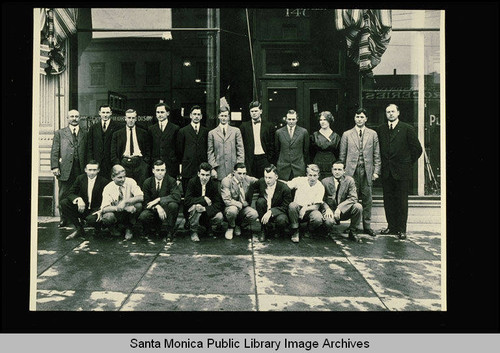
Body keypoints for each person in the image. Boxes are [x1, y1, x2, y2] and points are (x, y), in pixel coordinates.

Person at [377, 103, 423, 240]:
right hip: (387, 172)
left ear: (398, 113)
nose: (390, 114)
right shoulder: (381, 129)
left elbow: (417, 149)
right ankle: (391, 227)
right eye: (387, 112)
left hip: (402, 172)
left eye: (392, 111)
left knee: (402, 201)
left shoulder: (407, 128)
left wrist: (407, 163)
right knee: (388, 200)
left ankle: (402, 229)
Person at [338, 108, 381, 236]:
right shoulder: (347, 134)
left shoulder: (373, 134)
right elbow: (342, 155)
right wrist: (343, 173)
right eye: (357, 117)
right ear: (354, 118)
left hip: (367, 171)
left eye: (362, 117)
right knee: (352, 199)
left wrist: (376, 172)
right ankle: (353, 227)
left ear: (366, 119)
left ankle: (367, 226)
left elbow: (377, 155)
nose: (359, 119)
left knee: (367, 199)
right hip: (351, 171)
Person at [50, 109, 87, 227]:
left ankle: (80, 218)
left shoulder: (85, 133)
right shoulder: (60, 133)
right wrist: (55, 166)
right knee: (64, 193)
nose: (74, 118)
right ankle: (63, 218)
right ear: (67, 118)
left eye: (76, 116)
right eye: (72, 116)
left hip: (80, 168)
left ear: (79, 118)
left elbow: (88, 151)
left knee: (81, 193)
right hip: (65, 169)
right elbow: (55, 151)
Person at [60, 160, 109, 240]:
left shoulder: (104, 181)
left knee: (91, 220)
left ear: (98, 170)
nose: (92, 172)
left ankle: (98, 230)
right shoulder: (80, 178)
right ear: (85, 170)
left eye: (94, 170)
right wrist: (78, 199)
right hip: (83, 208)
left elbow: (107, 198)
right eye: (90, 170)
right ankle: (79, 229)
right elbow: (70, 193)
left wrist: (101, 210)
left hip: (95, 209)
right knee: (64, 203)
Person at [138, 160, 181, 242]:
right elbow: (146, 202)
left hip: (166, 209)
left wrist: (159, 199)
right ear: (153, 171)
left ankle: (170, 232)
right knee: (144, 216)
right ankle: (150, 231)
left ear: (165, 171)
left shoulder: (171, 181)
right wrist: (157, 206)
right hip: (153, 209)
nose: (160, 173)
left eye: (162, 170)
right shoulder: (147, 182)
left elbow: (176, 196)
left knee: (173, 205)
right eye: (158, 170)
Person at [321, 161, 363, 243]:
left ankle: (352, 231)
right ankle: (326, 231)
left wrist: (340, 208)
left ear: (344, 171)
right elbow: (321, 199)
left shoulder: (349, 181)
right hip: (330, 210)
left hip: (344, 211)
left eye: (339, 169)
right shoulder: (325, 181)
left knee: (358, 207)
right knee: (329, 221)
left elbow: (353, 197)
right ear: (332, 170)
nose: (337, 172)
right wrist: (327, 209)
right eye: (335, 169)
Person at [100, 165, 144, 240]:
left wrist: (125, 202)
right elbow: (104, 208)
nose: (123, 179)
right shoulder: (108, 188)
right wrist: (119, 207)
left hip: (129, 213)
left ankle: (129, 228)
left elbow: (141, 197)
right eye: (119, 177)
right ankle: (113, 228)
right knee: (108, 216)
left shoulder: (130, 181)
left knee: (138, 205)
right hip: (116, 212)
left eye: (124, 176)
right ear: (112, 177)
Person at [184, 162, 225, 242]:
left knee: (219, 216)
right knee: (196, 206)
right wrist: (203, 199)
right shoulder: (192, 182)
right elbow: (187, 200)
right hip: (194, 213)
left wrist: (205, 209)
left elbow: (219, 204)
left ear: (210, 175)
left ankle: (208, 227)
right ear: (198, 174)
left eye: (207, 175)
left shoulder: (213, 184)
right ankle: (193, 231)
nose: (204, 178)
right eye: (202, 174)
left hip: (207, 212)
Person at [110, 108, 151, 188]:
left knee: (140, 187)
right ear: (125, 118)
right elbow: (113, 152)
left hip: (140, 164)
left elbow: (148, 150)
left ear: (136, 119)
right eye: (129, 118)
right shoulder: (117, 134)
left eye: (133, 118)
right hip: (124, 164)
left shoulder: (143, 133)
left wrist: (145, 164)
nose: (131, 120)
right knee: (125, 187)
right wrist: (118, 165)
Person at [220, 162, 261, 240]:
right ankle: (230, 227)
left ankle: (238, 225)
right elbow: (227, 200)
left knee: (254, 214)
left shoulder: (247, 179)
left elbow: (260, 181)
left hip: (242, 208)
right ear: (234, 172)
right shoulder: (227, 181)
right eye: (239, 173)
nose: (242, 176)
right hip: (230, 208)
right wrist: (240, 204)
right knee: (233, 210)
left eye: (244, 173)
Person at [286, 164, 325, 243]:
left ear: (318, 175)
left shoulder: (320, 186)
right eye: (310, 175)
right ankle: (295, 230)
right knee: (292, 205)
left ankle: (309, 230)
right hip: (296, 209)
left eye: (315, 175)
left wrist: (305, 209)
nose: (312, 178)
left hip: (310, 210)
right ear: (307, 175)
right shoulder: (300, 180)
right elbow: (286, 185)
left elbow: (316, 206)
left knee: (318, 218)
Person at [254, 164, 292, 242]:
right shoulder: (261, 182)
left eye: (270, 178)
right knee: (260, 201)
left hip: (279, 212)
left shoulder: (284, 188)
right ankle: (263, 229)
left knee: (282, 220)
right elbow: (251, 185)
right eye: (265, 177)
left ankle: (278, 231)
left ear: (276, 177)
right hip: (265, 211)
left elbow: (285, 207)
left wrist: (271, 211)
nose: (267, 180)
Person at [207, 106, 245, 181]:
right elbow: (210, 152)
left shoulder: (236, 131)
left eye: (225, 116)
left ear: (228, 117)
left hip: (233, 170)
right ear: (218, 116)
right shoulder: (212, 133)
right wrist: (213, 168)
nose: (224, 118)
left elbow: (240, 150)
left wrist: (239, 168)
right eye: (222, 116)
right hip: (219, 170)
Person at [239, 101, 275, 178]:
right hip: (250, 160)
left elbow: (272, 144)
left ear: (261, 111)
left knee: (264, 182)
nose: (254, 113)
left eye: (256, 111)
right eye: (252, 111)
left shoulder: (269, 126)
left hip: (264, 159)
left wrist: (269, 159)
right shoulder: (244, 126)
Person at [87, 104, 121, 179]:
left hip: (111, 162)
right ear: (99, 113)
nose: (105, 115)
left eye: (107, 112)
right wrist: (91, 162)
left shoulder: (118, 127)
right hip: (97, 163)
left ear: (111, 113)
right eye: (103, 112)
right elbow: (90, 146)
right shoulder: (93, 128)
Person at [275, 109, 310, 181]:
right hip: (283, 167)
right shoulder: (279, 132)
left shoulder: (303, 132)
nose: (291, 121)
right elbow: (277, 150)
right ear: (286, 119)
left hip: (298, 167)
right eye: (289, 119)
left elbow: (306, 151)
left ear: (297, 119)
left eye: (293, 119)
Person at [148, 103, 180, 179]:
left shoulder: (175, 128)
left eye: (162, 112)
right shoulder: (151, 129)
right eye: (158, 112)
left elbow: (178, 148)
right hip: (156, 165)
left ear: (168, 113)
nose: (160, 114)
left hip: (170, 165)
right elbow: (149, 147)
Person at [310, 111, 341, 179]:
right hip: (318, 162)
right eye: (321, 120)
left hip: (331, 163)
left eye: (325, 120)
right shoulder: (314, 135)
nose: (322, 122)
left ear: (329, 121)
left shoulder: (336, 136)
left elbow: (338, 153)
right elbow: (311, 152)